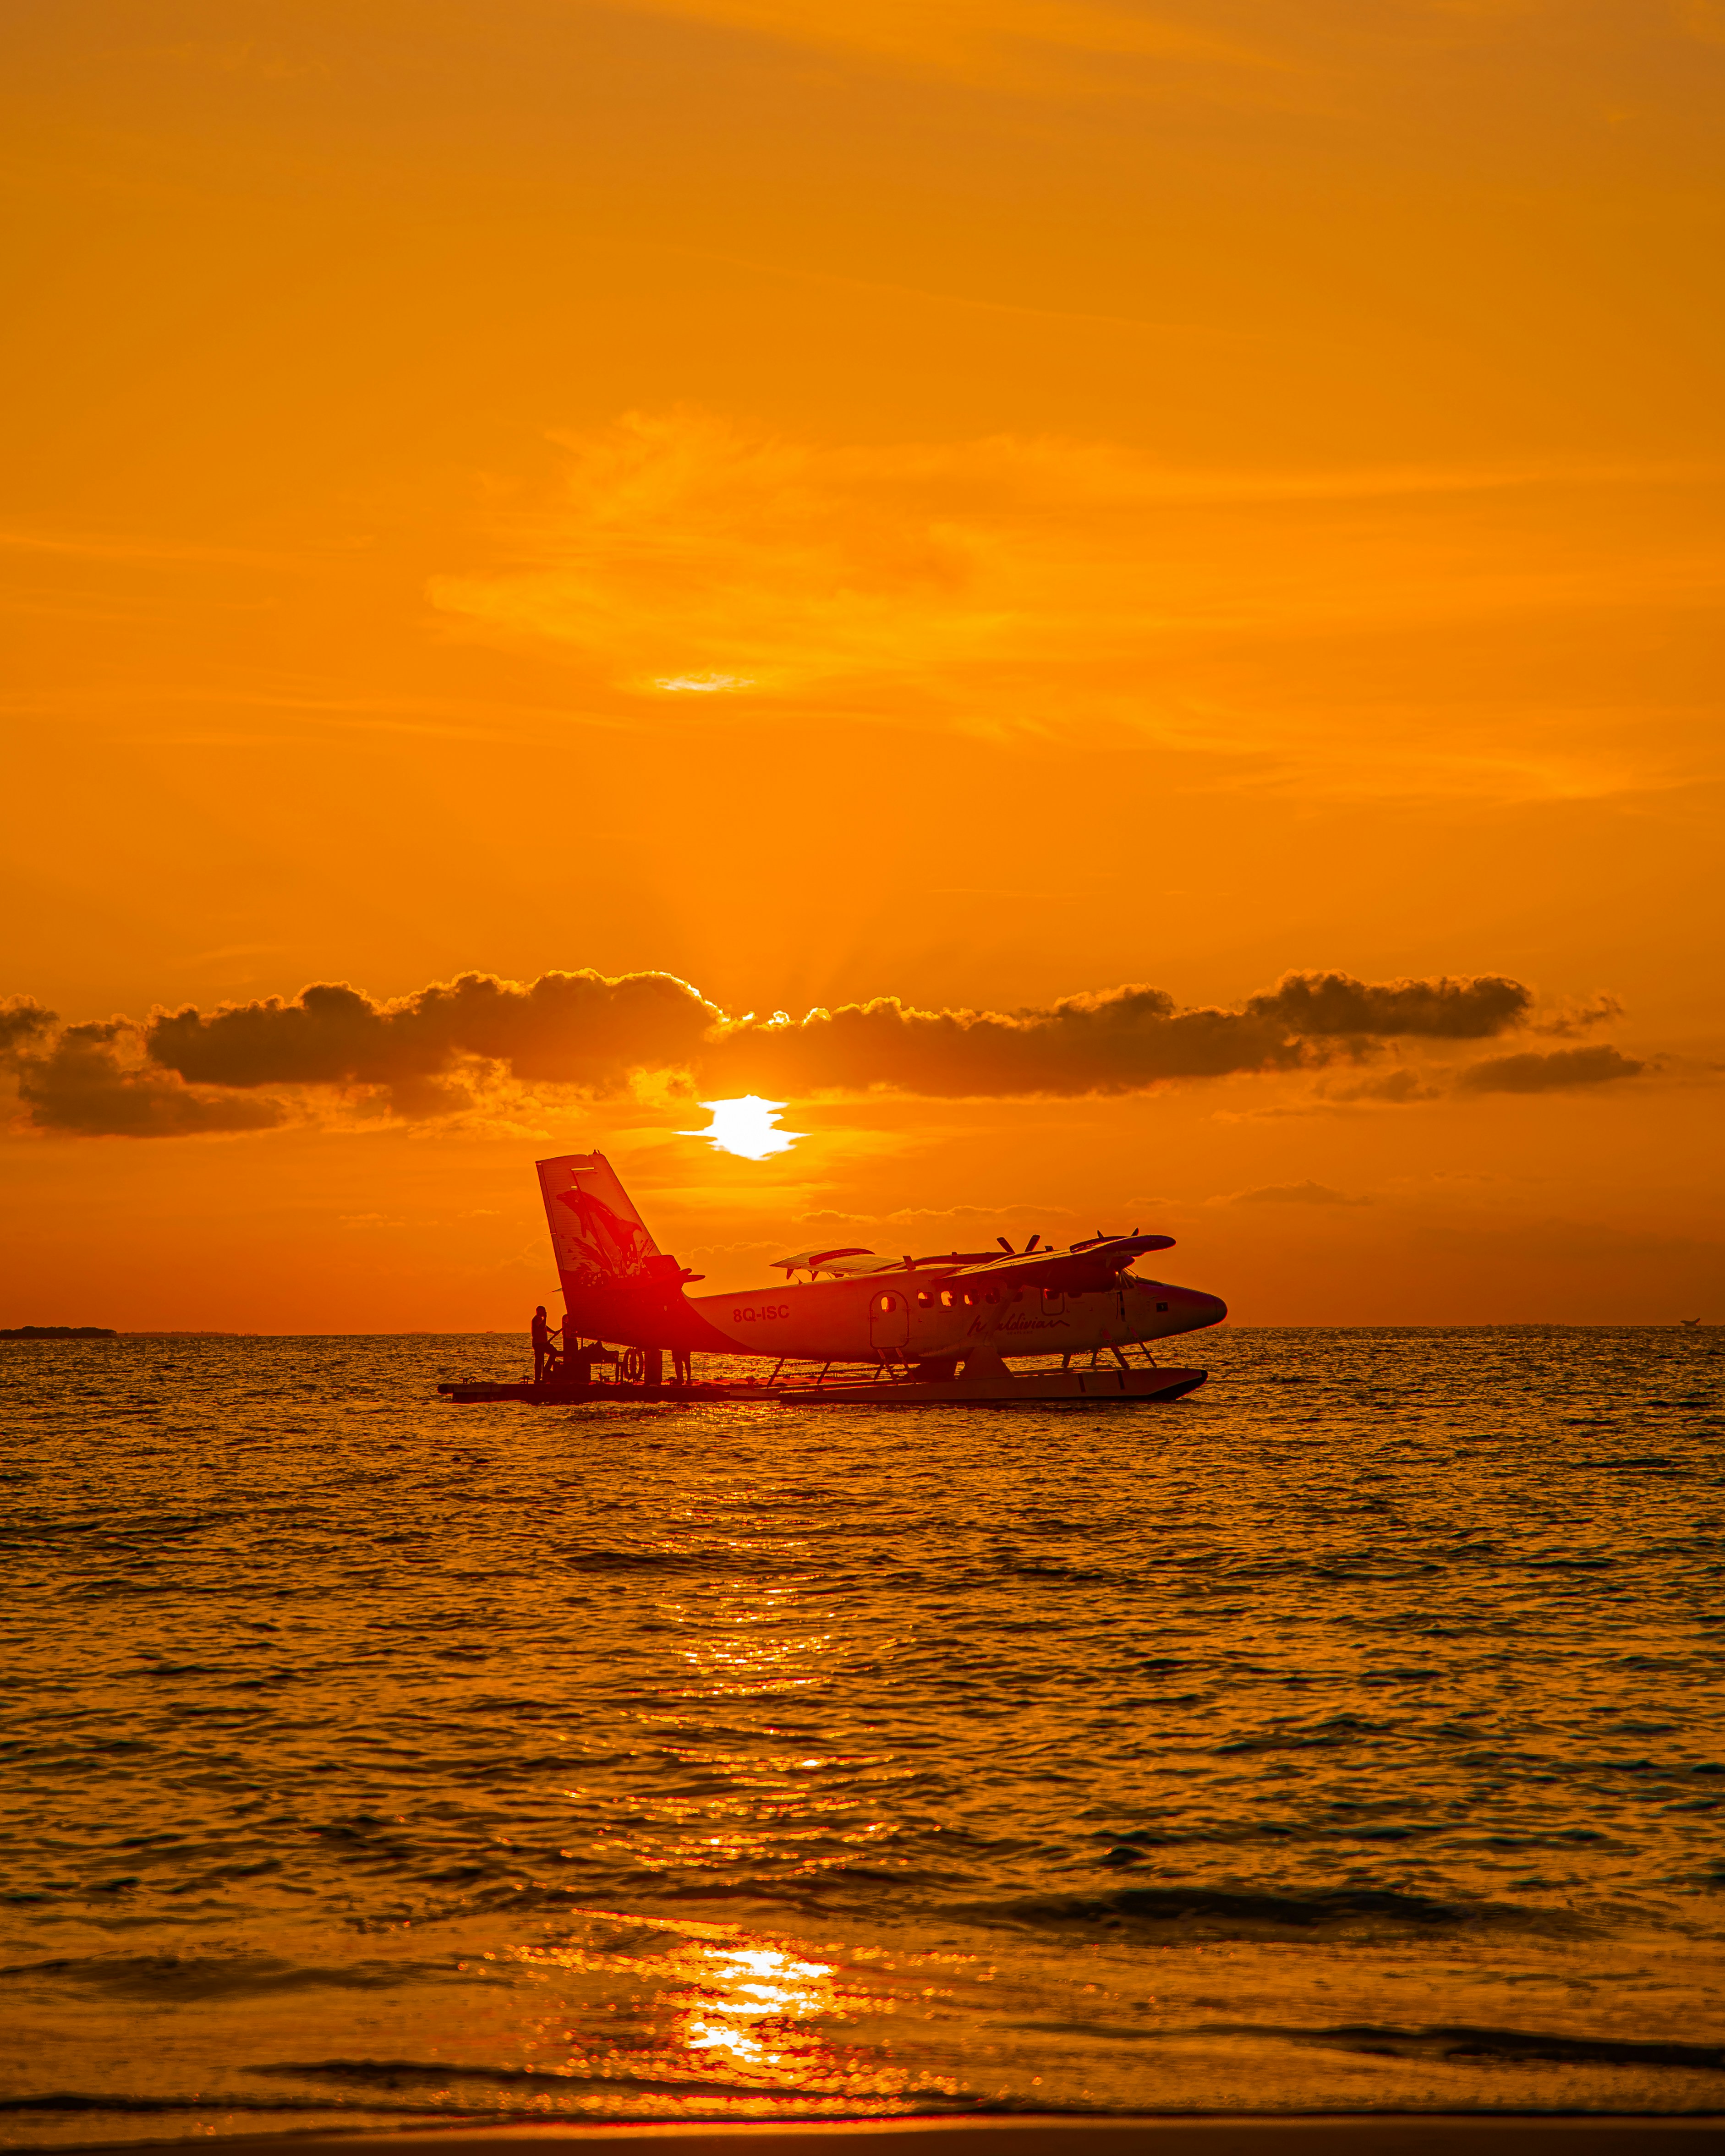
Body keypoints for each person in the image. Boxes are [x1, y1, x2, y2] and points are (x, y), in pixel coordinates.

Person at [531, 1305, 556, 1384]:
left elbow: (545, 1327)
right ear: (538, 1311)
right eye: (543, 1311)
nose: (544, 1312)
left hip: (544, 1343)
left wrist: (554, 1332)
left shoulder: (541, 1320)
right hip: (538, 1344)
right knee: (539, 1360)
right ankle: (538, 1378)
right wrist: (546, 1318)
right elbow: (542, 1327)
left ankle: (546, 1370)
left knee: (554, 1352)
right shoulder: (536, 1319)